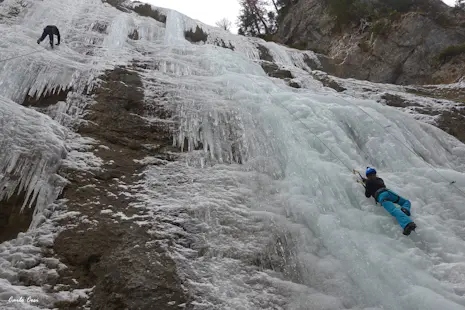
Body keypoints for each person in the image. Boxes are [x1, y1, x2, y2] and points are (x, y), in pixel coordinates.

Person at [362, 167, 417, 236]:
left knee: (394, 210)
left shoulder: (368, 182)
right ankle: (405, 210)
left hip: (381, 196)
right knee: (405, 202)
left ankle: (408, 224)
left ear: (368, 176)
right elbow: (378, 184)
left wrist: (366, 185)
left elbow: (367, 195)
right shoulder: (380, 179)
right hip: (389, 193)